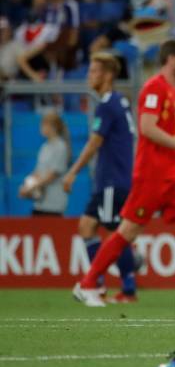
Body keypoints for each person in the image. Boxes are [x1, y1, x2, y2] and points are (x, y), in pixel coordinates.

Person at [72, 39, 175, 307]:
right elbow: (147, 128)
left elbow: (167, 135)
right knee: (127, 231)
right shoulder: (154, 88)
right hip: (152, 176)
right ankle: (88, 283)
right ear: (171, 59)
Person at [62, 52, 138, 303]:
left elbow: (95, 143)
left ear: (107, 75)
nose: (89, 75)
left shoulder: (107, 105)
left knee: (117, 233)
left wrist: (72, 172)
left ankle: (123, 287)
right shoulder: (120, 101)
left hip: (111, 180)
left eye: (93, 71)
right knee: (87, 226)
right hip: (113, 179)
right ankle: (102, 284)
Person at [19, 111, 70, 216]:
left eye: (44, 125)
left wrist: (31, 187)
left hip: (54, 205)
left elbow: (52, 175)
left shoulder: (61, 147)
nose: (41, 128)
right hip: (39, 203)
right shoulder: (44, 147)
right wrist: (27, 185)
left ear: (53, 127)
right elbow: (37, 172)